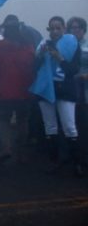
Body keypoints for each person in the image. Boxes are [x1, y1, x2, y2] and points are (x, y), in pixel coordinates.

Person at [32, 16, 82, 176]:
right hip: (47, 89)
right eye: (52, 28)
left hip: (65, 89)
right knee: (50, 126)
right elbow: (33, 68)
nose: (54, 31)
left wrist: (59, 59)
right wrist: (40, 55)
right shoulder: (43, 45)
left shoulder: (72, 44)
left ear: (63, 29)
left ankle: (77, 163)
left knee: (69, 126)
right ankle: (54, 161)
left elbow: (73, 70)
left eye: (58, 28)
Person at [0, 20, 35, 165]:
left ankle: (6, 148)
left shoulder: (0, 47)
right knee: (22, 120)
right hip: (24, 90)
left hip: (4, 90)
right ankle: (21, 151)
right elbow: (33, 65)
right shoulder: (28, 47)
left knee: (4, 120)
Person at [68, 17, 88, 170]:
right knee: (72, 127)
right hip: (69, 92)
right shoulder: (66, 46)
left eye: (78, 28)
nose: (75, 31)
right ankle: (75, 159)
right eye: (72, 28)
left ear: (83, 29)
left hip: (85, 91)